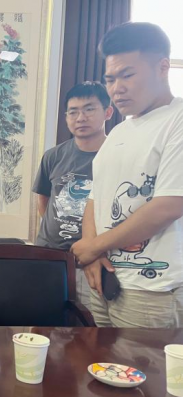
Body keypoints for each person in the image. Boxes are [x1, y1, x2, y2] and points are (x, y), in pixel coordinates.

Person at [71, 22, 183, 328]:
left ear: (162, 67)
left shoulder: (176, 119)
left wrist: (93, 246)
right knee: (99, 358)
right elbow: (95, 198)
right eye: (110, 79)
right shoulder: (119, 131)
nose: (116, 88)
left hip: (151, 288)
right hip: (104, 281)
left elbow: (170, 205)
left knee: (140, 361)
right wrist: (92, 252)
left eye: (127, 75)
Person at [33, 82, 113, 309]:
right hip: (50, 259)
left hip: (94, 261)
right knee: (45, 321)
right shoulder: (53, 156)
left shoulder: (117, 156)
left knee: (91, 325)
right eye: (73, 112)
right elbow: (44, 198)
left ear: (108, 112)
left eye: (89, 109)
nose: (80, 118)